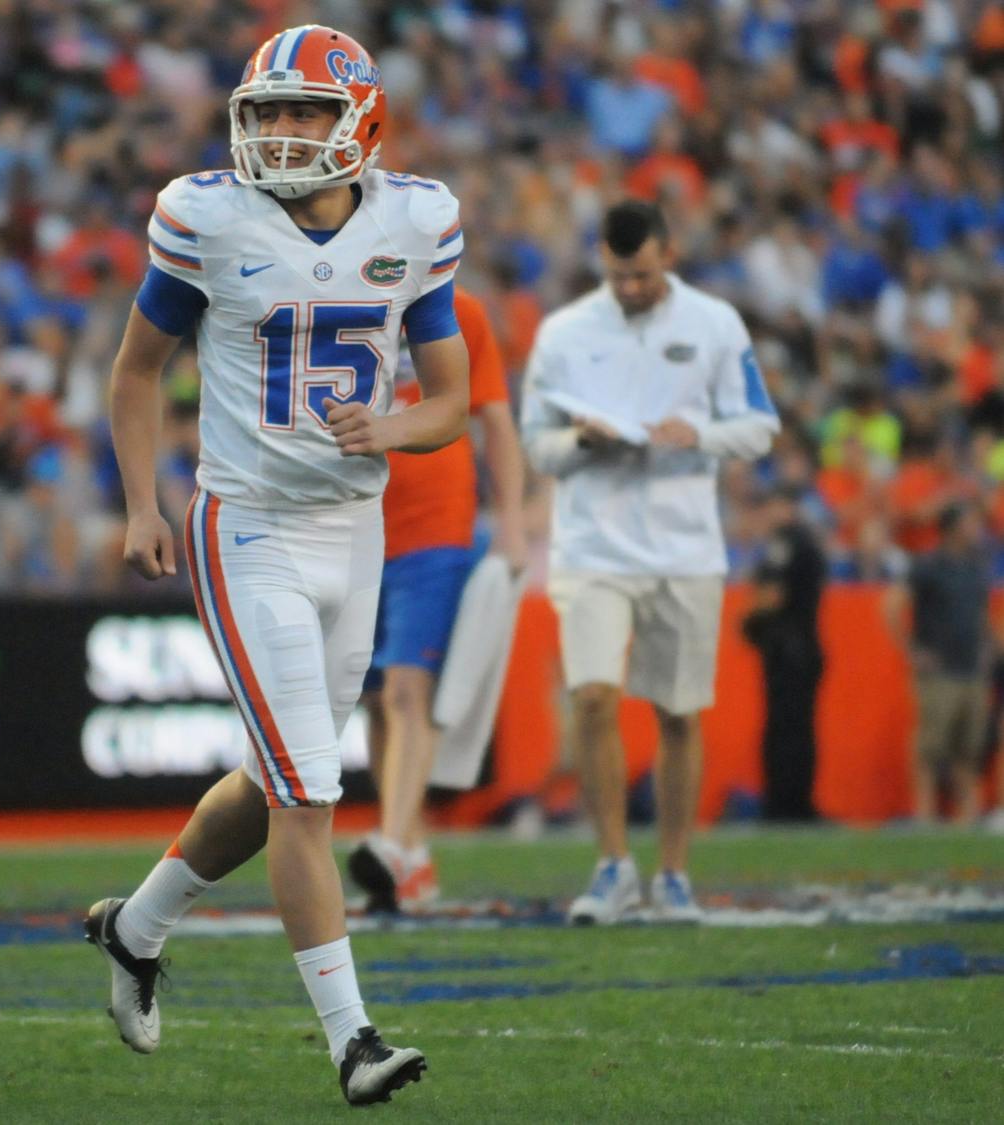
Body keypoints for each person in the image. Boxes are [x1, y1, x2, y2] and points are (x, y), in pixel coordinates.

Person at [84, 25, 470, 1106]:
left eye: (307, 112)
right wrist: (141, 504)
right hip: (244, 522)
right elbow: (134, 373)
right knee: (308, 790)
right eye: (269, 113)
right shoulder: (205, 215)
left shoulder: (416, 218)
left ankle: (138, 925)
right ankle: (354, 1040)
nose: (285, 133)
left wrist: (389, 430)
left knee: (273, 782)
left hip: (357, 526)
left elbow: (450, 397)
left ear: (361, 122)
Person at [521, 199, 779, 925]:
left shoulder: (715, 324)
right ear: (601, 260)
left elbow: (759, 426)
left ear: (668, 252)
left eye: (640, 274)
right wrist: (583, 444)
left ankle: (672, 871)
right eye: (617, 274)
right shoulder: (566, 332)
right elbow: (536, 442)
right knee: (593, 697)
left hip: (684, 544)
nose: (630, 287)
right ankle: (612, 864)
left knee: (677, 710)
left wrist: (693, 432)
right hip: (593, 542)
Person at [348, 285, 526, 912]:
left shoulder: (460, 310)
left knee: (406, 689)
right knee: (373, 699)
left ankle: (392, 844)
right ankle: (413, 854)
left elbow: (494, 416)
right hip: (356, 526)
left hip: (435, 526)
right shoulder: (336, 301)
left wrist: (511, 522)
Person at [887, 501, 995, 824]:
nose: (977, 529)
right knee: (932, 748)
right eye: (970, 522)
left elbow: (980, 615)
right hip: (940, 671)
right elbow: (891, 606)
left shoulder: (975, 566)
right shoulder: (929, 565)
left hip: (971, 670)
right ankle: (925, 814)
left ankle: (967, 817)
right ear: (953, 528)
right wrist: (912, 650)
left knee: (969, 748)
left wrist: (987, 648)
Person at [742, 483, 827, 822]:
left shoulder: (786, 543)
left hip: (788, 649)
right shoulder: (806, 542)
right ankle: (794, 801)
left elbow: (772, 594)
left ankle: (785, 804)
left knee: (785, 730)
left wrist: (749, 618)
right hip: (802, 646)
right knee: (797, 729)